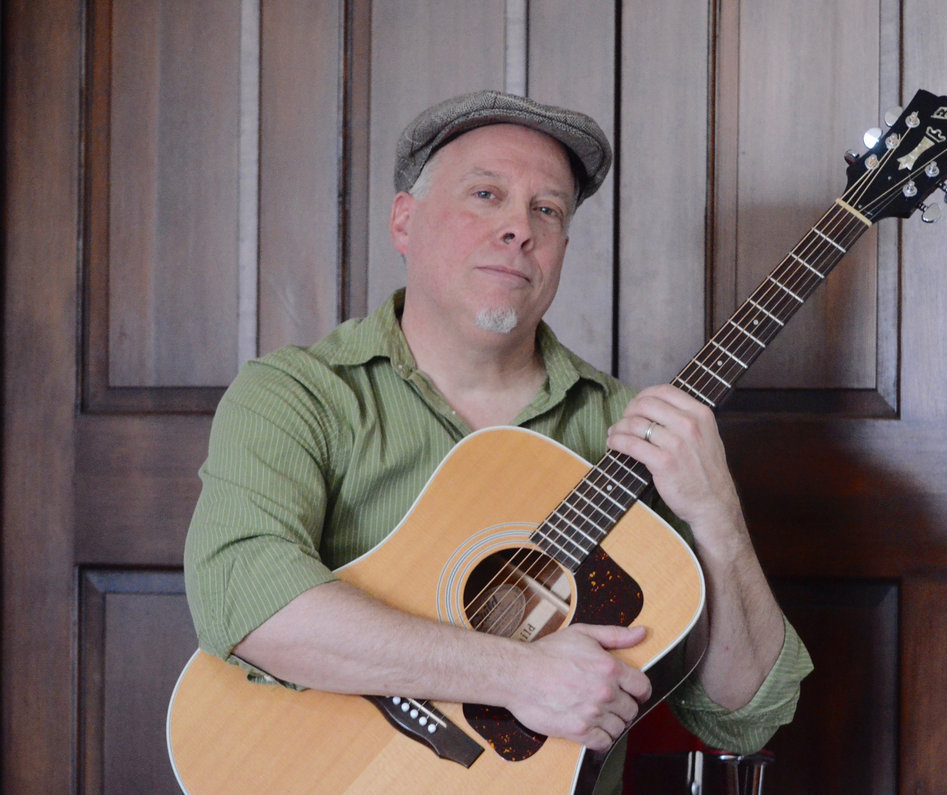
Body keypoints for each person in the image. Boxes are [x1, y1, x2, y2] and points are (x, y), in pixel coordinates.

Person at [184, 90, 812, 793]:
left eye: (548, 210)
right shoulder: (299, 393)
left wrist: (718, 514)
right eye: (486, 195)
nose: (519, 228)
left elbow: (743, 716)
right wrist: (516, 673)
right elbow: (246, 598)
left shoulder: (633, 432)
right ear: (404, 221)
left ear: (562, 249)